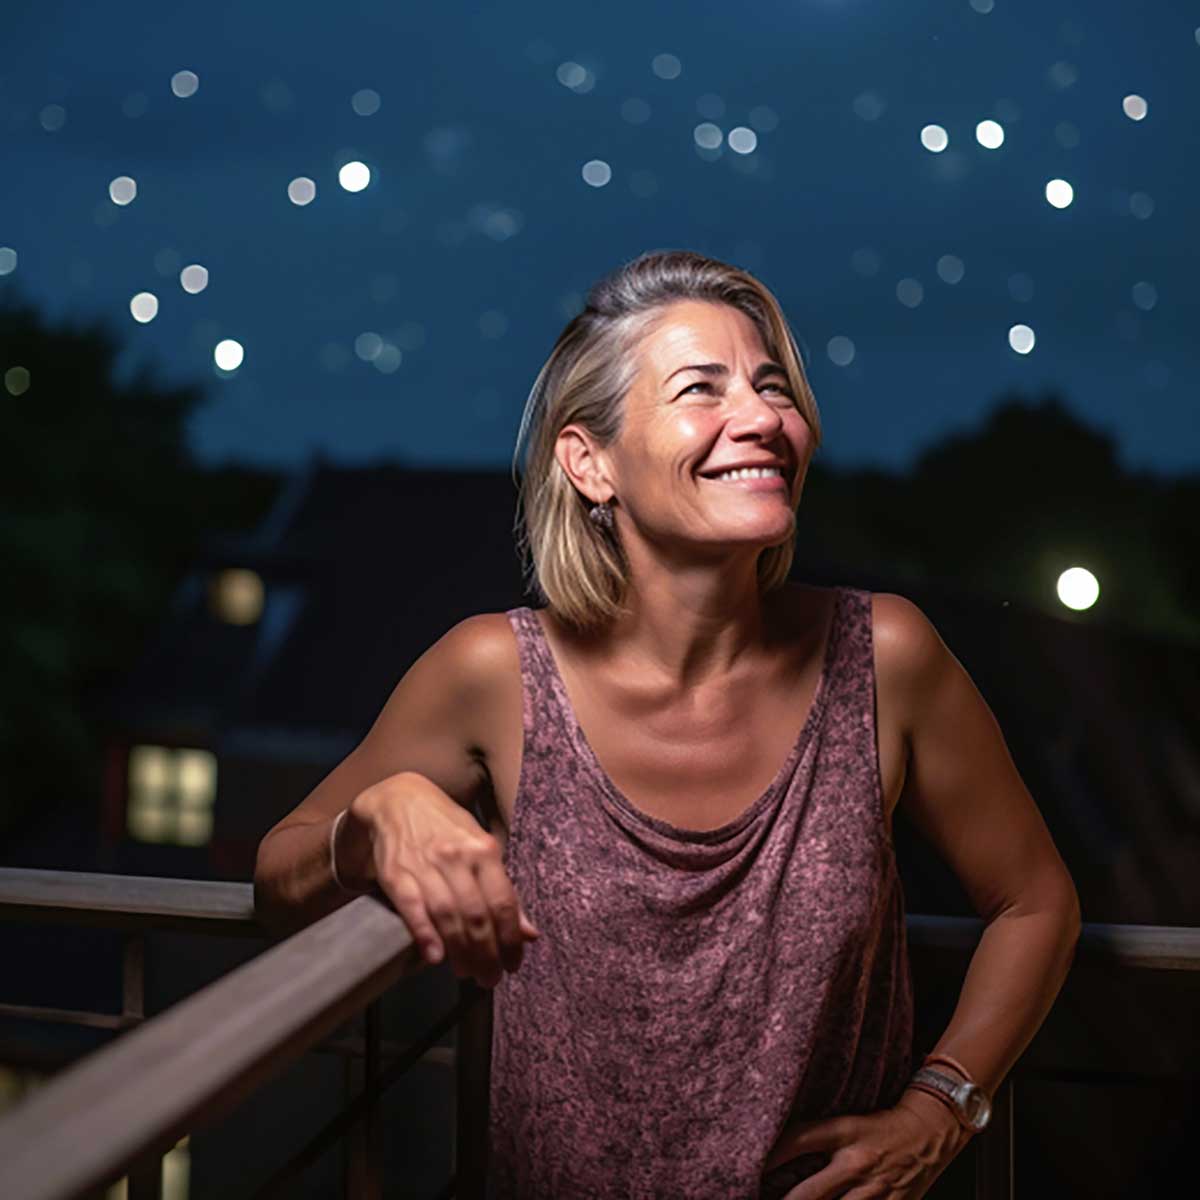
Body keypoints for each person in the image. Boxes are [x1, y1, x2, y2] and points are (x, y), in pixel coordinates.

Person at [254, 249, 1082, 1199]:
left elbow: (1036, 903)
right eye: (703, 388)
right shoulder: (495, 673)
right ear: (589, 461)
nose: (766, 418)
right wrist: (376, 819)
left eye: (774, 388)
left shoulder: (887, 656)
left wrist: (943, 1108)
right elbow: (281, 874)